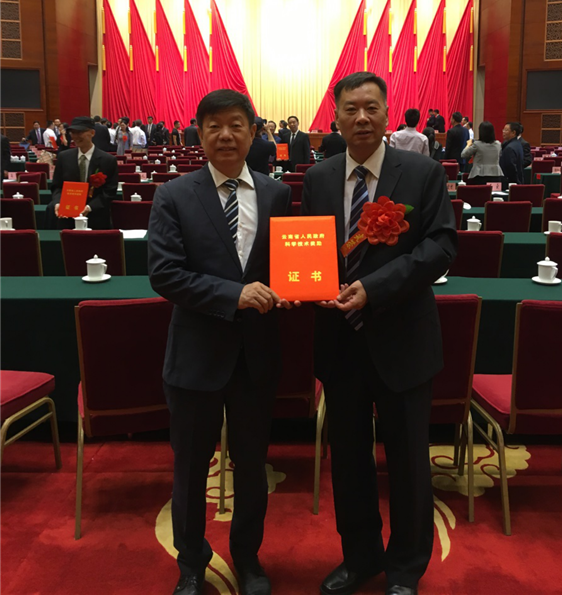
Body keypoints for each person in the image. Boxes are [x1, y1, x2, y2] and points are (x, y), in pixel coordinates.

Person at [302, 71, 457, 595]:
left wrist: (373, 288)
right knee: (349, 461)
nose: (362, 118)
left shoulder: (422, 173)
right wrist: (309, 285)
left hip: (403, 339)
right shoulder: (320, 177)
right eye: (351, 109)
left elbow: (440, 247)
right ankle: (360, 557)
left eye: (371, 107)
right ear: (336, 118)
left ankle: (406, 568)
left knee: (409, 462)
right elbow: (311, 248)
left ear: (388, 113)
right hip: (340, 341)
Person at [148, 89, 293, 595]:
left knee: (252, 466)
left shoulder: (277, 194)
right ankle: (191, 563)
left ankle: (248, 557)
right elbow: (165, 274)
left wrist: (294, 288)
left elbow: (285, 266)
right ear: (200, 133)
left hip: (256, 356)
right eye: (214, 126)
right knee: (191, 468)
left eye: (236, 125)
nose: (226, 135)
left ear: (253, 132)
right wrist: (236, 295)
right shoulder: (174, 195)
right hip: (196, 355)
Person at [48, 116, 118, 230]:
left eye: (80, 132)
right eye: (73, 133)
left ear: (92, 133)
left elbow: (109, 192)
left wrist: (89, 207)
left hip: (96, 218)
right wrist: (58, 202)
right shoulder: (64, 157)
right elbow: (57, 186)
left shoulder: (108, 160)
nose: (75, 136)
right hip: (67, 218)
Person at [500, 122, 524, 186]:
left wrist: (514, 182)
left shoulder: (509, 148)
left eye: (506, 130)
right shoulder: (517, 144)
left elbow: (511, 168)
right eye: (503, 129)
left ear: (513, 132)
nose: (503, 132)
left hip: (510, 183)